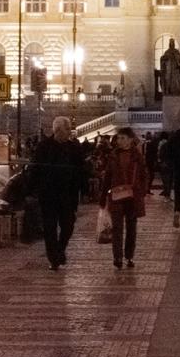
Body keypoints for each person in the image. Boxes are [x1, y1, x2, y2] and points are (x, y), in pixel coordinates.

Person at [31, 116, 87, 270]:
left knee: (68, 226)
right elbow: (34, 169)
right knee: (49, 228)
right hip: (48, 194)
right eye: (67, 129)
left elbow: (81, 171)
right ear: (57, 130)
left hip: (68, 195)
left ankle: (60, 249)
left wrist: (84, 189)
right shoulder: (44, 147)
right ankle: (53, 259)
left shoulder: (74, 147)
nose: (70, 132)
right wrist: (33, 190)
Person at [98, 127, 148, 269]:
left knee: (131, 228)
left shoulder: (137, 156)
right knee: (117, 228)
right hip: (116, 195)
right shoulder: (113, 156)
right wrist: (102, 196)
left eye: (122, 138)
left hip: (132, 196)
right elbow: (107, 176)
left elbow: (144, 174)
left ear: (130, 140)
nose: (119, 141)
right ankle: (118, 257)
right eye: (118, 138)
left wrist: (142, 191)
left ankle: (129, 256)